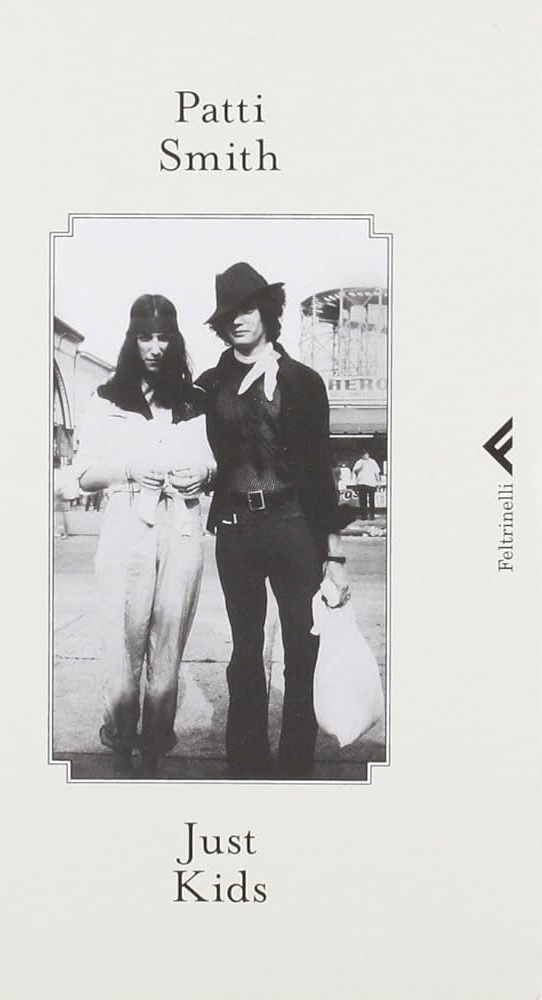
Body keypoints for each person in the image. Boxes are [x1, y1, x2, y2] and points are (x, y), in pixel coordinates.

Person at [195, 262, 355, 779]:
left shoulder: (303, 382)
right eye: (228, 313)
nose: (238, 320)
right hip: (236, 531)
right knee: (245, 652)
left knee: (302, 650)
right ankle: (246, 763)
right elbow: (184, 443)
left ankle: (294, 767)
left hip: (293, 526)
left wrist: (334, 555)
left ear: (266, 311)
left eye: (247, 308)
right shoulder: (209, 384)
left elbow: (319, 470)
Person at [74, 294, 215, 779]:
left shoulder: (194, 402)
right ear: (132, 340)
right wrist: (129, 469)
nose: (155, 347)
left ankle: (153, 752)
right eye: (145, 337)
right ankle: (119, 749)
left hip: (183, 525)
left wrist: (204, 474)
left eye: (163, 337)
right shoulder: (108, 399)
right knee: (122, 643)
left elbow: (215, 461)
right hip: (127, 523)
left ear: (175, 341)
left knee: (169, 644)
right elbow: (84, 474)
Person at [352, 450, 380, 520]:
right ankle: (364, 516)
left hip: (371, 483)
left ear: (368, 454)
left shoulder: (373, 462)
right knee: (362, 501)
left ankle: (372, 515)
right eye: (364, 454)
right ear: (362, 455)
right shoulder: (359, 462)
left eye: (366, 454)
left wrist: (378, 482)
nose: (365, 456)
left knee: (371, 500)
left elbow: (377, 473)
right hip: (361, 483)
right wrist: (360, 467)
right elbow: (354, 471)